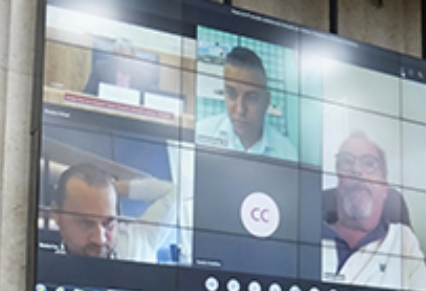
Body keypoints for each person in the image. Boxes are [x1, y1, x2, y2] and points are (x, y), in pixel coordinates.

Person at [322, 131, 426, 291]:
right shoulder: (306, 231)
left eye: (369, 163)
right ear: (339, 182)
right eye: (346, 162)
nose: (357, 170)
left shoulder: (403, 241)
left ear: (384, 187)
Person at [47, 163, 186, 263]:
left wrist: (113, 189)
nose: (100, 239)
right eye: (86, 224)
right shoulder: (49, 270)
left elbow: (174, 193)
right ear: (57, 215)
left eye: (108, 224)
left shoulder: (138, 241)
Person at [193, 47, 298, 162]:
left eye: (251, 98)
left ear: (266, 101)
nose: (240, 110)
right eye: (231, 94)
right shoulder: (200, 132)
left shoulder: (287, 153)